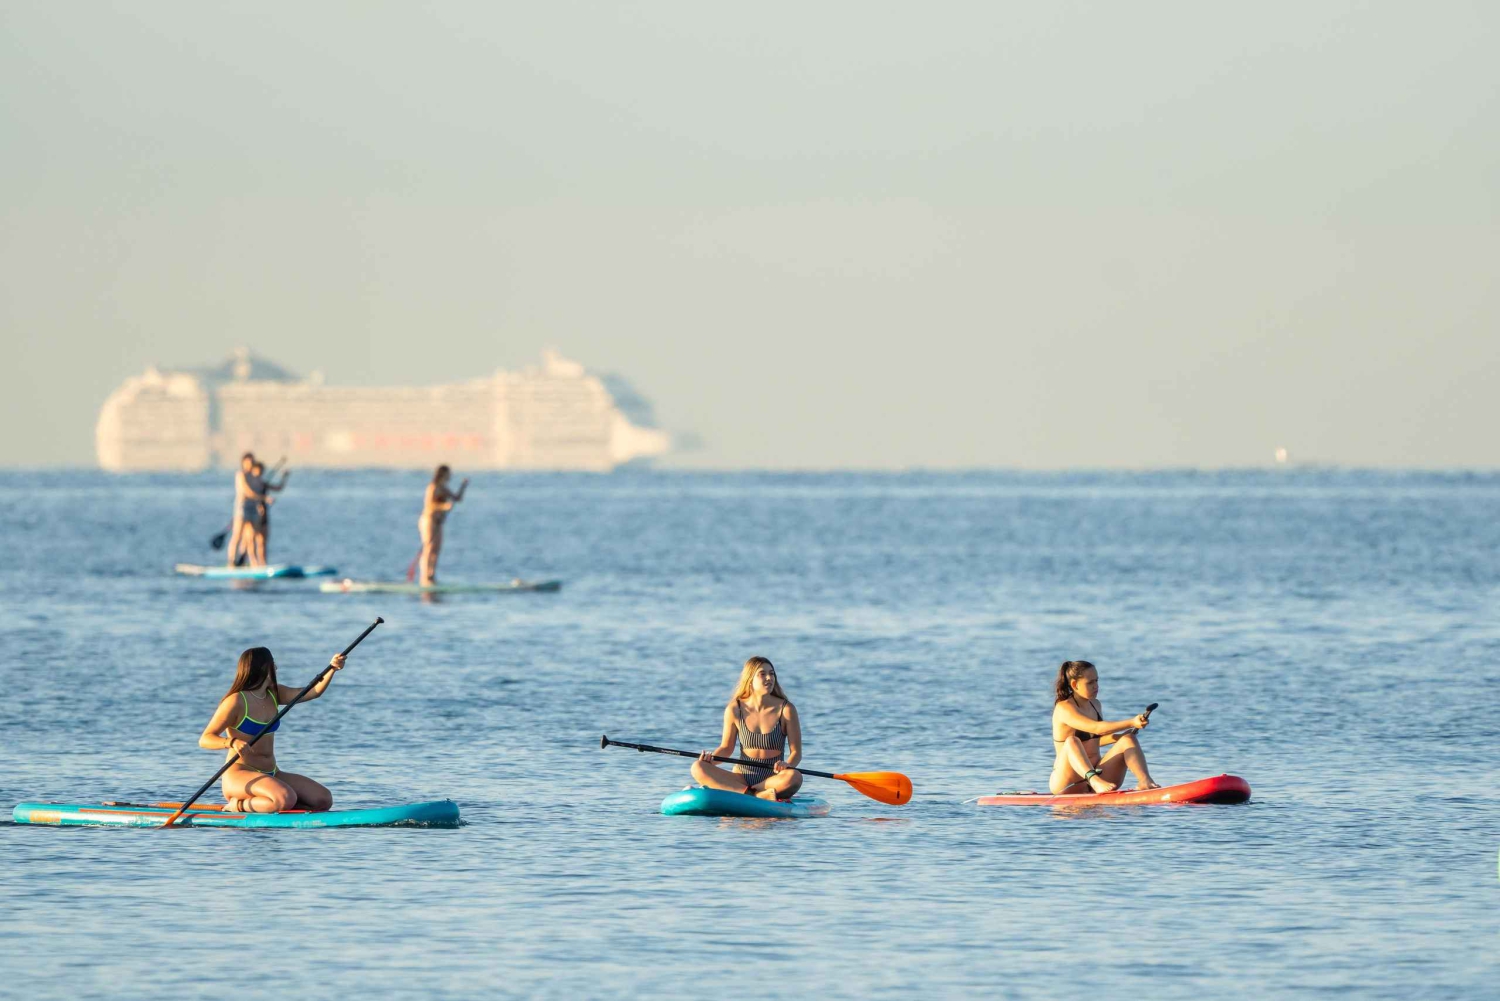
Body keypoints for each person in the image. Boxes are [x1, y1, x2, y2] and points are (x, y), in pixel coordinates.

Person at [197, 646, 347, 813]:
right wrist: (231, 742)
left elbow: (312, 692)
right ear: (263, 668)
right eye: (273, 664)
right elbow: (205, 739)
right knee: (285, 798)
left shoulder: (275, 693)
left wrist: (332, 669)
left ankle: (275, 805)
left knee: (323, 799)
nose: (276, 668)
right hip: (240, 774)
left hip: (272, 772)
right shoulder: (236, 701)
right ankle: (238, 805)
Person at [692, 656, 803, 801]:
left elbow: (796, 752)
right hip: (741, 777)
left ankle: (746, 793)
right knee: (697, 767)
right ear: (750, 678)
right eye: (762, 674)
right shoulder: (734, 709)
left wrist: (787, 765)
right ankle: (752, 794)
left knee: (795, 777)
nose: (769, 678)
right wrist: (711, 760)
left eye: (772, 673)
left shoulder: (786, 709)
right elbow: (726, 748)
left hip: (771, 779)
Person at [1050, 660, 1159, 794]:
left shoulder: (1095, 705)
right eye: (1090, 682)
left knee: (1128, 739)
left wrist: (1119, 737)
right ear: (1074, 685)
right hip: (1067, 782)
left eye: (1097, 681)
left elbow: (1094, 740)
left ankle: (1145, 781)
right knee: (1072, 741)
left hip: (1099, 773)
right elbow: (1097, 728)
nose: (1096, 686)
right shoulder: (1064, 708)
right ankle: (1094, 781)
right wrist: (1131, 722)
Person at [418, 464, 468, 586]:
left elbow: (457, 499)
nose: (450, 475)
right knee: (429, 548)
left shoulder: (444, 488)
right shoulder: (433, 487)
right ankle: (425, 577)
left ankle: (432, 575)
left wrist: (463, 486)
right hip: (428, 520)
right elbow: (430, 505)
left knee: (436, 549)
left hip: (439, 522)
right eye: (448, 473)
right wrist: (443, 506)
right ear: (442, 474)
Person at [255, 463, 290, 565]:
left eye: (261, 472)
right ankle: (253, 562)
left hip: (264, 515)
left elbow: (279, 488)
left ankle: (262, 563)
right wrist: (264, 499)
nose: (259, 474)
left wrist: (284, 477)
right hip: (253, 514)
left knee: (263, 542)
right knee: (251, 541)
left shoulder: (263, 484)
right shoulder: (250, 485)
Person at [226, 453, 257, 567]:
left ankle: (245, 561)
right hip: (242, 508)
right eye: (248, 462)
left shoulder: (254, 476)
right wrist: (262, 498)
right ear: (243, 463)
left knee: (249, 537)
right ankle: (231, 562)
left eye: (252, 462)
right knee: (237, 535)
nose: (250, 465)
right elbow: (246, 491)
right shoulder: (240, 475)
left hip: (252, 508)